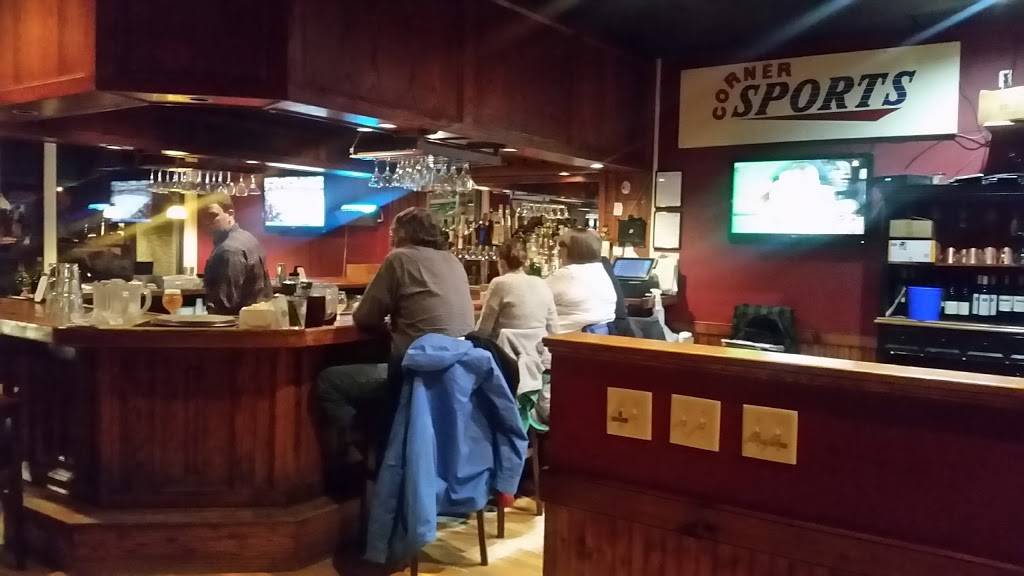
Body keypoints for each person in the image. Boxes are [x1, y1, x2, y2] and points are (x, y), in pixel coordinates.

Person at [316, 207, 474, 469]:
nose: (391, 239)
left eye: (392, 233)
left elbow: (364, 317)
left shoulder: (399, 259)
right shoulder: (453, 261)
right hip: (455, 377)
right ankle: (386, 449)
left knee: (330, 381)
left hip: (416, 376)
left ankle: (358, 461)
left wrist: (390, 326)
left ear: (403, 234)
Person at [200, 194, 272, 314]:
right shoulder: (248, 237)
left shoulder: (228, 250)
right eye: (203, 216)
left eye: (212, 215)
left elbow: (224, 306)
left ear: (230, 214)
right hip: (258, 319)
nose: (207, 221)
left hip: (239, 323)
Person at [475, 240, 558, 341]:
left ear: (502, 263)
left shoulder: (499, 283)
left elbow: (483, 330)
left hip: (504, 349)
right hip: (538, 349)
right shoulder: (542, 283)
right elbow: (553, 329)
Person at [546, 228, 617, 333]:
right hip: (596, 336)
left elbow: (531, 300)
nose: (558, 250)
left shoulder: (568, 274)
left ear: (573, 250)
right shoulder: (600, 270)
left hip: (563, 338)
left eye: (561, 245)